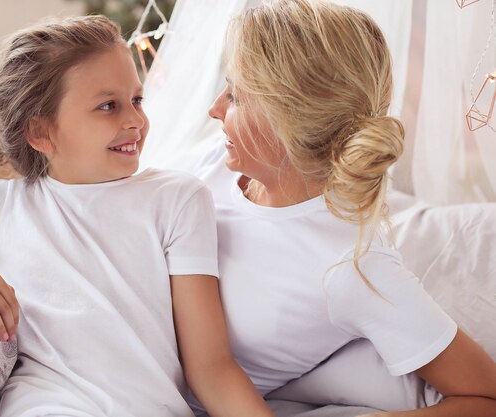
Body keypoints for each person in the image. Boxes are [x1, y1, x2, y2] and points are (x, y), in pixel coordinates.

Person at [0, 15, 274, 417]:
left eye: (137, 100)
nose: (135, 120)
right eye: (107, 106)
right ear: (41, 133)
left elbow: (211, 368)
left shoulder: (179, 200)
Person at [191, 0, 496, 416]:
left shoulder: (352, 267)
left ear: (290, 119)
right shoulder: (215, 164)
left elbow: (483, 396)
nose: (215, 109)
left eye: (236, 95)